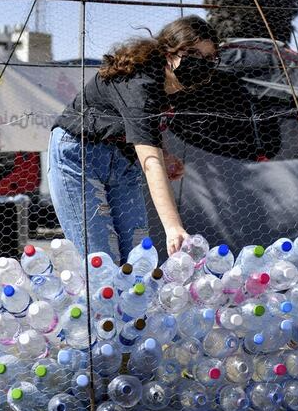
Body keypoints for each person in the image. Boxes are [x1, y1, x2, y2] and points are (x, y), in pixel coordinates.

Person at [48, 15, 220, 261]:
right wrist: (173, 228)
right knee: (101, 260)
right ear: (169, 53)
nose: (200, 63)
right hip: (79, 155)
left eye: (208, 58)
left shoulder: (180, 88)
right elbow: (151, 163)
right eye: (192, 54)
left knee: (139, 258)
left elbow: (145, 130)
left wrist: (165, 154)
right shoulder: (140, 82)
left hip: (122, 159)